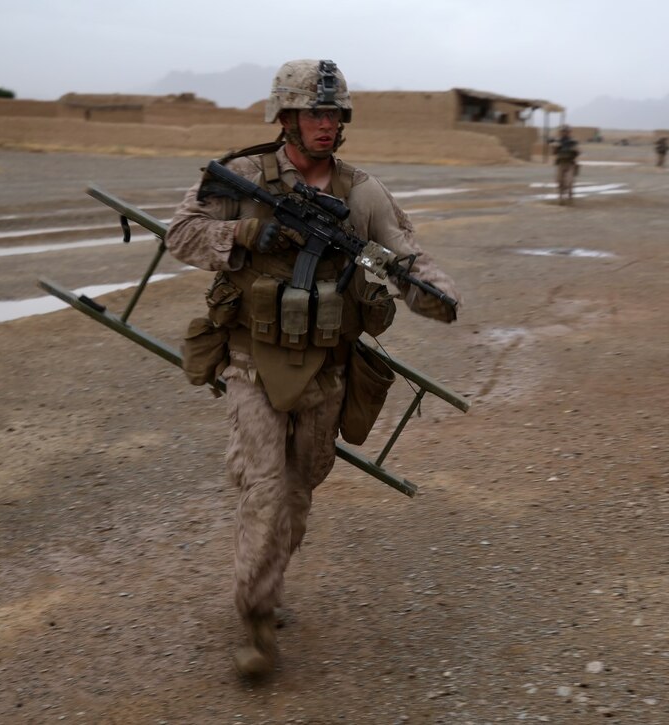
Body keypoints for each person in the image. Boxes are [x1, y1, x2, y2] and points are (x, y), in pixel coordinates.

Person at [165, 59, 461, 677]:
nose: (326, 125)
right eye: (313, 113)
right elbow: (182, 235)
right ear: (286, 117)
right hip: (253, 357)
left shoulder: (361, 193)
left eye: (334, 114)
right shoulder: (243, 175)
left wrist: (433, 292)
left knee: (299, 492)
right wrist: (246, 233)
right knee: (267, 489)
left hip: (326, 367)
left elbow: (405, 253)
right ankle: (254, 616)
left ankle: (268, 577)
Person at [551, 126, 580, 205]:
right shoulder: (558, 141)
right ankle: (561, 197)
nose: (564, 133)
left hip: (570, 163)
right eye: (563, 131)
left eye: (566, 131)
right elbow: (554, 152)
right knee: (559, 180)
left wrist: (573, 150)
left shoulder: (573, 141)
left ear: (569, 132)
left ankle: (570, 196)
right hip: (561, 163)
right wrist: (555, 147)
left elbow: (577, 152)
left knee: (569, 181)